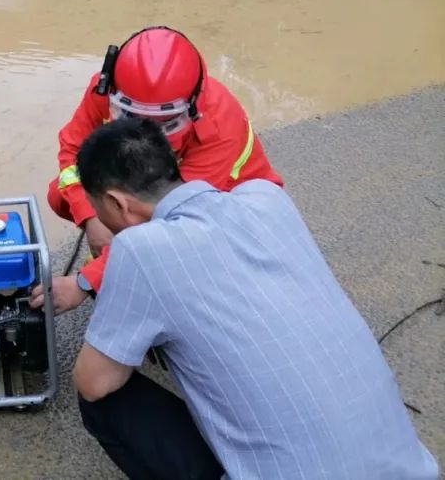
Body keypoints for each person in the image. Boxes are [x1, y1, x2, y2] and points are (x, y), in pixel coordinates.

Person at [33, 118, 438, 480]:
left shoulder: (140, 250)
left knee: (103, 401)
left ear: (119, 203)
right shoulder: (266, 199)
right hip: (410, 470)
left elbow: (94, 382)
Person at [49, 26, 281, 294]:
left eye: (167, 123)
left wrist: (86, 282)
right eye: (131, 116)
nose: (145, 134)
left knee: (186, 260)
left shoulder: (219, 125)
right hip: (156, 189)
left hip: (228, 212)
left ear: (192, 107)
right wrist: (91, 218)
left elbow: (177, 220)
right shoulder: (105, 90)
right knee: (60, 193)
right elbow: (72, 151)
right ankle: (126, 264)